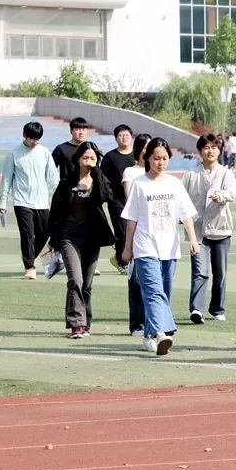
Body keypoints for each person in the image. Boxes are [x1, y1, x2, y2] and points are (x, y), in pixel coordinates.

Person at [122, 138, 201, 356]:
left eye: (164, 158)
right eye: (156, 158)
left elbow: (186, 214)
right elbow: (131, 218)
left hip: (169, 246)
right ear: (147, 158)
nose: (160, 163)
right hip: (145, 245)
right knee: (153, 291)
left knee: (163, 293)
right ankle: (162, 333)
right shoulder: (139, 184)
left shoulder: (175, 184)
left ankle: (149, 334)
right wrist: (128, 247)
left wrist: (193, 239)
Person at [47, 142, 114, 338]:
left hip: (93, 236)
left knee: (87, 283)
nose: (88, 161)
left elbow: (107, 197)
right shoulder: (67, 182)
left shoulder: (99, 180)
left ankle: (86, 322)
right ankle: (76, 324)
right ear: (78, 159)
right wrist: (53, 238)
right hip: (70, 235)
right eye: (85, 158)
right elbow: (55, 211)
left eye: (93, 158)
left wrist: (97, 173)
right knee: (75, 279)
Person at [182, 134, 236, 323]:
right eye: (206, 147)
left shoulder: (225, 173)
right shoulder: (191, 174)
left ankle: (217, 309)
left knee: (220, 273)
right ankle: (196, 309)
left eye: (214, 147)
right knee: (200, 271)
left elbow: (232, 191)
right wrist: (181, 216)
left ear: (219, 150)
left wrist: (221, 195)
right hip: (197, 231)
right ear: (200, 151)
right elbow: (181, 198)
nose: (210, 151)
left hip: (221, 229)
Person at [0, 121, 59, 280]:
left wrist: (61, 196)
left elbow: (53, 178)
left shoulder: (44, 152)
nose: (35, 142)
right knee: (27, 234)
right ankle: (29, 266)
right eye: (32, 139)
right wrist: (3, 202)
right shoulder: (14, 154)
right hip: (22, 201)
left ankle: (29, 255)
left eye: (38, 139)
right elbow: (6, 180)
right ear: (24, 135)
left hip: (41, 201)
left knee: (45, 233)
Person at [122, 133, 151, 336]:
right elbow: (130, 202)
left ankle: (154, 323)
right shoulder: (131, 173)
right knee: (136, 280)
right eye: (145, 148)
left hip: (157, 234)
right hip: (137, 229)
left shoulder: (160, 175)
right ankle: (137, 324)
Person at [100, 125, 135, 275]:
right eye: (121, 135)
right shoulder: (110, 157)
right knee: (122, 230)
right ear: (115, 138)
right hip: (117, 200)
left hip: (135, 199)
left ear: (131, 137)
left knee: (135, 231)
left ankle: (122, 257)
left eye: (127, 135)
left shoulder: (137, 155)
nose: (124, 138)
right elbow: (102, 178)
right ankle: (122, 262)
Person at [52, 117, 91, 183]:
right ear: (71, 131)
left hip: (86, 186)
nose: (81, 132)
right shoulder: (61, 149)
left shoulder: (91, 149)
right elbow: (50, 169)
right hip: (67, 187)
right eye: (77, 129)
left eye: (84, 129)